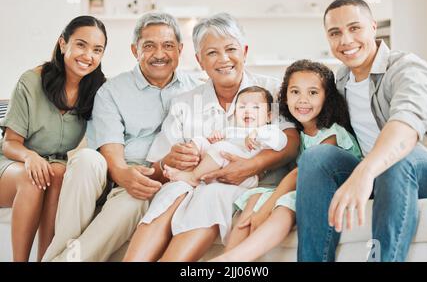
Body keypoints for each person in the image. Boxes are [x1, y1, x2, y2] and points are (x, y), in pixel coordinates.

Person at [122, 13, 299, 262]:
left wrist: (250, 166)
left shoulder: (272, 90)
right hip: (193, 184)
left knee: (210, 193)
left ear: (244, 51)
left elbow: (291, 142)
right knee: (174, 191)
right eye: (212, 53)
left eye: (230, 49)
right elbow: (158, 169)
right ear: (199, 60)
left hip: (248, 185)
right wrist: (171, 161)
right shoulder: (184, 103)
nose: (223, 59)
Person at [296, 0, 427, 262]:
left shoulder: (407, 68)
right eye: (335, 32)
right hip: (374, 174)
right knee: (316, 157)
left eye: (354, 28)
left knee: (396, 160)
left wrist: (366, 172)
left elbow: (406, 124)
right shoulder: (339, 80)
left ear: (373, 27)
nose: (346, 40)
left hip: (425, 172)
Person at [42, 12, 201, 262]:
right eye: (149, 46)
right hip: (120, 174)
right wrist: (124, 174)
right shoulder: (111, 91)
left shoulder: (197, 89)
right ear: (134, 50)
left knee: (137, 199)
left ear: (180, 50)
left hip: (164, 182)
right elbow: (113, 159)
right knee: (85, 159)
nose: (159, 54)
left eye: (168, 45)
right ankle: (60, 251)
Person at [210, 60, 361, 262]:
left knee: (285, 203)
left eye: (313, 93)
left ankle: (233, 260)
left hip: (333, 188)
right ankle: (228, 254)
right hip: (301, 186)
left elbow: (300, 173)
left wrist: (267, 208)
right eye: (295, 92)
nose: (303, 100)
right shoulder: (295, 134)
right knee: (255, 197)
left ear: (327, 98)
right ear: (285, 96)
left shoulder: (332, 132)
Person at [0, 16, 107, 261]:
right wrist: (31, 158)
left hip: (51, 164)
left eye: (97, 50)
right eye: (81, 45)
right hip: (11, 163)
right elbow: (10, 143)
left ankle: (46, 260)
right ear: (62, 44)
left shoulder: (99, 90)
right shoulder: (31, 81)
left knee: (57, 174)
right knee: (33, 177)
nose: (88, 55)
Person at [163, 86, 288, 188]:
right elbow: (215, 142)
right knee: (200, 141)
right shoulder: (232, 130)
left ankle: (193, 178)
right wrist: (213, 138)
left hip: (245, 177)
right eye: (242, 106)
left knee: (221, 149)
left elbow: (281, 142)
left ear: (269, 116)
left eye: (256, 107)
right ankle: (189, 170)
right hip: (218, 167)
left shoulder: (268, 130)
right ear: (234, 113)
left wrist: (257, 134)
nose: (248, 111)